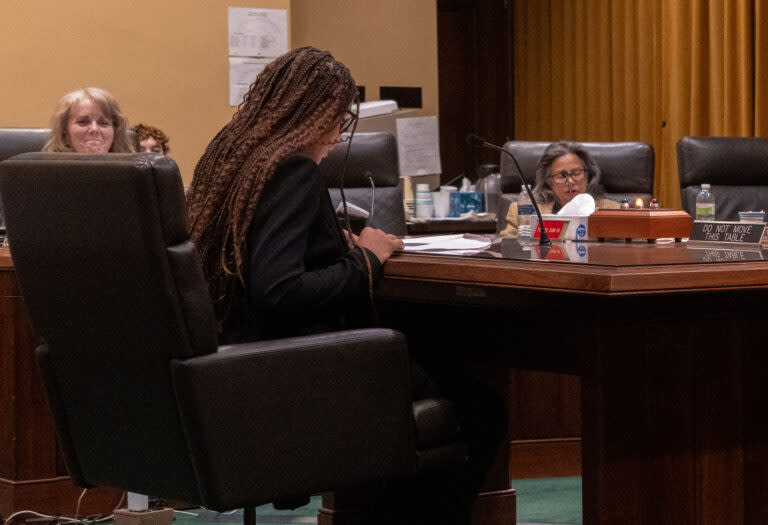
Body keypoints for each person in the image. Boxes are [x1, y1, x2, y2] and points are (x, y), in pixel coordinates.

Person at [499, 140, 619, 237]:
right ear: (548, 181)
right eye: (562, 176)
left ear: (588, 175)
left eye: (576, 173)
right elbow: (506, 247)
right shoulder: (524, 211)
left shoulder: (612, 211)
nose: (570, 181)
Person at [43, 88, 133, 153]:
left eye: (103, 123)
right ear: (65, 134)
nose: (94, 129)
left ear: (115, 133)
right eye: (83, 122)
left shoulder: (134, 175)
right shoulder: (45, 175)